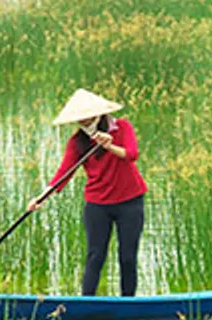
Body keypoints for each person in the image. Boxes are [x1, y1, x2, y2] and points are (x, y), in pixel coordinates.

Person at [29, 89, 147, 296]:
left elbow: (131, 155)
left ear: (99, 113)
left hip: (130, 201)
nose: (84, 121)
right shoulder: (77, 143)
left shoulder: (122, 127)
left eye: (87, 116)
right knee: (95, 255)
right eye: (79, 118)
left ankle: (128, 303)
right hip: (97, 204)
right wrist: (41, 198)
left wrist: (109, 146)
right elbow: (64, 172)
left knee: (127, 257)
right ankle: (86, 302)